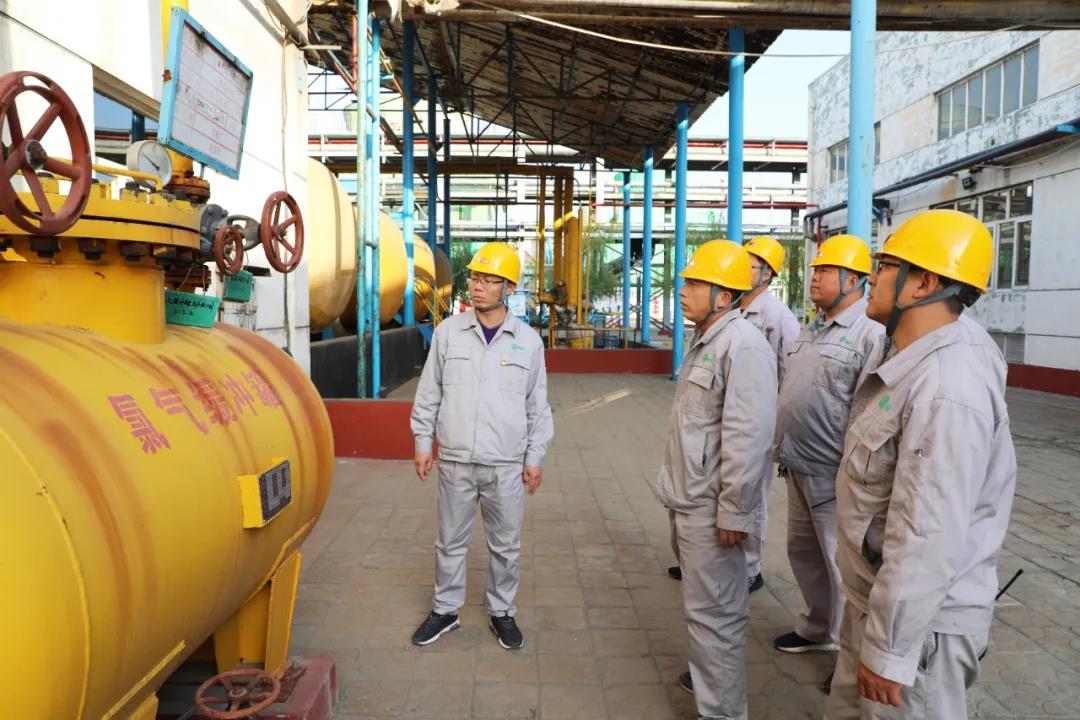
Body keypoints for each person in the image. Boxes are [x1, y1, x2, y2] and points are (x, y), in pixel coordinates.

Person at [826, 210, 1017, 718]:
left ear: (924, 284)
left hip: (919, 630)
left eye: (885, 266)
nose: (871, 278)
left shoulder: (946, 387)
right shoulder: (908, 353)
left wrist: (890, 651)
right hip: (880, 605)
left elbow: (926, 531)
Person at [409, 242, 554, 650]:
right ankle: (445, 610)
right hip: (456, 460)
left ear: (509, 288)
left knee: (505, 546)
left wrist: (535, 456)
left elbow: (537, 405)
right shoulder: (448, 334)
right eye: (475, 277)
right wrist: (423, 441)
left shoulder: (528, 342)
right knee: (449, 542)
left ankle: (502, 612)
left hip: (505, 463)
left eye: (489, 281)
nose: (478, 286)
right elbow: (429, 392)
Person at [654, 240, 777, 717]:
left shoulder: (743, 346)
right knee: (705, 614)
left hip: (712, 511)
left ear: (724, 296)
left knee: (717, 617)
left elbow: (749, 436)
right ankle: (711, 684)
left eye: (694, 283)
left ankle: (722, 710)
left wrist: (735, 511)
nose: (682, 290)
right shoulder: (709, 339)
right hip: (690, 500)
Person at [772, 235, 882, 661]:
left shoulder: (870, 332)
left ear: (853, 280)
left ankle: (851, 657)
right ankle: (818, 627)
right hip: (797, 463)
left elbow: (870, 409)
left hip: (833, 474)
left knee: (844, 568)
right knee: (804, 554)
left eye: (824, 271)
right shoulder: (814, 326)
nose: (814, 278)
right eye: (815, 270)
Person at [741, 235, 801, 593]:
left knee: (751, 494)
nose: (740, 269)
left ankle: (750, 568)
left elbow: (791, 373)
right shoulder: (733, 308)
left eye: (749, 265)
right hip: (732, 415)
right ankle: (713, 561)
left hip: (759, 422)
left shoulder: (778, 316)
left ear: (766, 274)